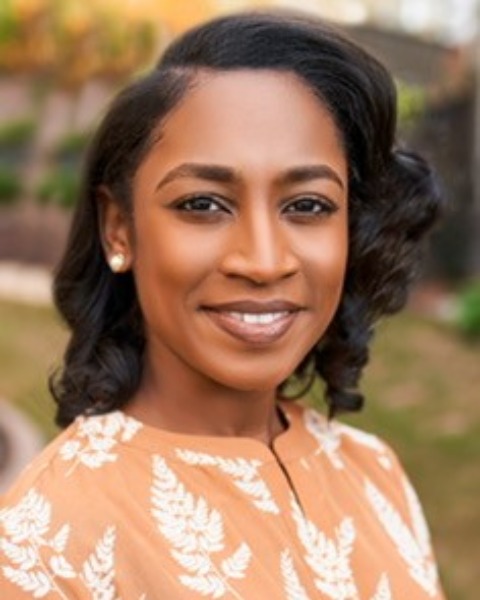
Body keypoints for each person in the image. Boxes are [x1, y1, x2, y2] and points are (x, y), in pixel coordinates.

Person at [0, 9, 446, 599]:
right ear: (119, 228)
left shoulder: (374, 472)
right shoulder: (45, 550)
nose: (263, 261)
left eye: (308, 205)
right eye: (204, 204)